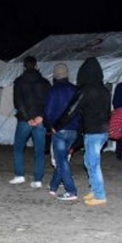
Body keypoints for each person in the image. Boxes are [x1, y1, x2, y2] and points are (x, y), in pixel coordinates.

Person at [56, 57, 112, 205]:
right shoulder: (105, 90)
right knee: (88, 161)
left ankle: (100, 195)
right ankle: (94, 189)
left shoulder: (85, 90)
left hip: (93, 131)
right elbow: (108, 112)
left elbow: (72, 111)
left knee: (93, 163)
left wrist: (57, 125)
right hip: (103, 130)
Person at [9, 56, 51, 188]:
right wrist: (41, 117)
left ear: (24, 66)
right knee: (39, 150)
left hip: (24, 120)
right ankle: (38, 179)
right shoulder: (44, 82)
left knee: (18, 148)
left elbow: (18, 102)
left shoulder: (19, 82)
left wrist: (28, 118)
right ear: (36, 65)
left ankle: (20, 175)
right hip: (40, 119)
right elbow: (49, 102)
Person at [43, 63, 79, 200]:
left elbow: (49, 111)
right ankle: (53, 186)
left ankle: (71, 190)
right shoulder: (75, 90)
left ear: (55, 75)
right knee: (62, 158)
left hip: (59, 129)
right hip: (73, 129)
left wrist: (50, 125)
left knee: (61, 160)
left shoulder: (54, 90)